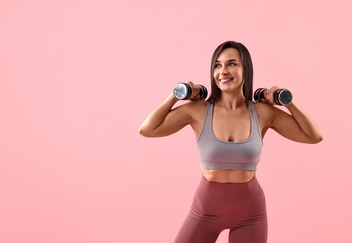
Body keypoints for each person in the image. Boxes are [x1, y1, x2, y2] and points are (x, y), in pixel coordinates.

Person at [138, 41, 323, 243]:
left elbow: (313, 136)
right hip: (205, 210)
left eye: (232, 64)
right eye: (217, 65)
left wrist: (287, 101)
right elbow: (148, 129)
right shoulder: (198, 111)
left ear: (246, 69)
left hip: (250, 214)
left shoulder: (262, 112)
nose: (223, 71)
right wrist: (176, 95)